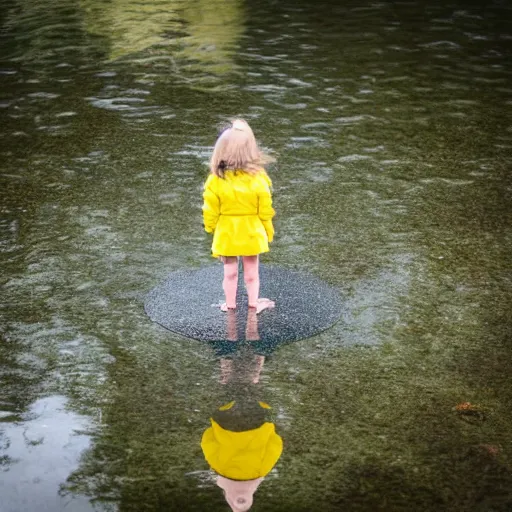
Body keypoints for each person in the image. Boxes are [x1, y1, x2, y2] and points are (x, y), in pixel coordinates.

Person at [202, 119, 276, 314]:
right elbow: (265, 209)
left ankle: (230, 304)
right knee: (252, 272)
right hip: (251, 230)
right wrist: (268, 230)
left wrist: (210, 227)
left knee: (230, 273)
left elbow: (210, 209)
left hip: (227, 232)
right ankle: (254, 303)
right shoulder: (258, 179)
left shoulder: (215, 181)